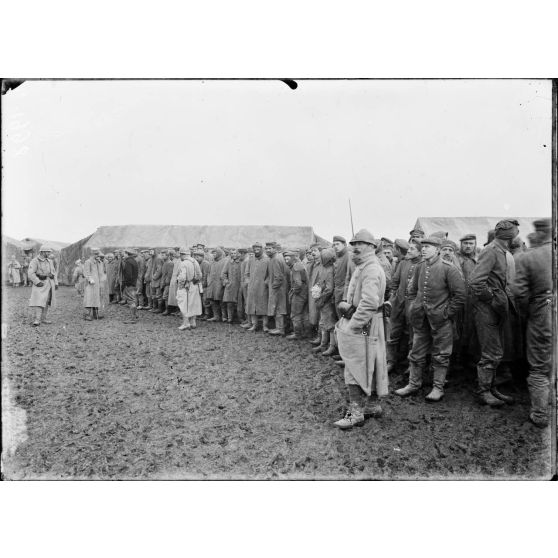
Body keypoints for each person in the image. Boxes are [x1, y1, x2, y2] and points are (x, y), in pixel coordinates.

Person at [395, 236, 465, 402]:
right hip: (421, 319)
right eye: (423, 246)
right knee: (416, 352)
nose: (424, 249)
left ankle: (438, 387)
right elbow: (411, 290)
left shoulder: (449, 269)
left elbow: (460, 296)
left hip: (441, 320)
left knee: (441, 354)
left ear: (438, 249)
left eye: (428, 246)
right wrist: (413, 306)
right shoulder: (420, 267)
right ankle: (413, 383)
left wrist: (446, 313)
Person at [334, 230, 388, 430]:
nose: (356, 247)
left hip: (365, 325)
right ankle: (373, 405)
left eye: (362, 243)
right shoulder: (362, 266)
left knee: (355, 365)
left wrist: (353, 325)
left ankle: (356, 412)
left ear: (372, 247)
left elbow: (368, 303)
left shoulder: (371, 269)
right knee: (370, 362)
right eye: (354, 243)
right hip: (367, 323)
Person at [468, 219, 520, 406]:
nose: (517, 237)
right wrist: (491, 299)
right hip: (487, 309)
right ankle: (483, 391)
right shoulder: (491, 251)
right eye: (516, 234)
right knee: (491, 352)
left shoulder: (501, 251)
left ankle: (491, 388)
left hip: (496, 308)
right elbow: (475, 282)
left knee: (497, 350)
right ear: (509, 236)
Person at [513, 219, 552, 427]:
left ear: (538, 233)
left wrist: (528, 312)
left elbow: (519, 293)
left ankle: (539, 413)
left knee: (538, 364)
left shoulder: (529, 257)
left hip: (542, 311)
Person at [386, 238, 423, 373]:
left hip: (413, 307)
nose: (409, 250)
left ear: (419, 252)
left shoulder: (423, 265)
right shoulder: (403, 263)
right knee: (393, 333)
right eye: (409, 248)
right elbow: (395, 282)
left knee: (412, 336)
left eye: (412, 249)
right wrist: (392, 297)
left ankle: (410, 364)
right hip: (398, 305)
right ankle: (390, 361)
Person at [331, 235, 353, 358]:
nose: (335, 247)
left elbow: (348, 279)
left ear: (344, 244)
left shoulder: (348, 256)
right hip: (338, 293)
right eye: (333, 245)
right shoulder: (338, 258)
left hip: (345, 296)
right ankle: (341, 351)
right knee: (340, 323)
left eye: (337, 244)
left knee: (346, 324)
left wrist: (345, 297)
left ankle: (346, 354)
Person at [312, 248, 336, 354]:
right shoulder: (325, 268)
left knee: (330, 324)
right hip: (323, 299)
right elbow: (322, 282)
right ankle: (323, 344)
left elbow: (329, 289)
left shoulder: (330, 270)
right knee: (323, 322)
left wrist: (321, 298)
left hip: (327, 301)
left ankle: (331, 347)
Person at [28, 245, 58, 326]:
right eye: (47, 252)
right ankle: (37, 320)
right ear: (42, 252)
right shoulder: (35, 261)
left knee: (47, 301)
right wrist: (37, 282)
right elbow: (30, 273)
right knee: (39, 301)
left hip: (49, 284)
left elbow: (53, 272)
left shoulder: (50, 261)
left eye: (49, 252)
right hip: (40, 284)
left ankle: (43, 318)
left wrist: (56, 283)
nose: (49, 253)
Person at [266, 242, 290, 336]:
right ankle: (281, 327)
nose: (268, 250)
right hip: (281, 287)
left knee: (278, 308)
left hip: (278, 288)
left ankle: (280, 329)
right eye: (266, 248)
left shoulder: (275, 259)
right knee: (280, 307)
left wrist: (273, 287)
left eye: (270, 248)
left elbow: (278, 277)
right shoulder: (277, 258)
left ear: (275, 249)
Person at [245, 242, 269, 332]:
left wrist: (265, 283)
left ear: (261, 249)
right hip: (251, 287)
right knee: (252, 306)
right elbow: (246, 273)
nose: (256, 250)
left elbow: (270, 274)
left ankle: (265, 326)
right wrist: (248, 282)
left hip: (262, 287)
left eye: (258, 248)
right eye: (255, 249)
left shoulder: (267, 260)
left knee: (263, 306)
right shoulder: (251, 259)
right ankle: (254, 325)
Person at [284, 250, 309, 340]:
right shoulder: (299, 264)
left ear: (293, 258)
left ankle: (298, 334)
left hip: (299, 295)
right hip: (305, 293)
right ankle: (306, 332)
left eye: (288, 259)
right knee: (304, 314)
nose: (286, 261)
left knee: (295, 315)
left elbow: (298, 283)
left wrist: (294, 291)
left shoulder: (295, 267)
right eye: (285, 259)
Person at [176, 248, 203, 330]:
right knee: (193, 304)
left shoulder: (183, 263)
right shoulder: (195, 262)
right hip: (195, 285)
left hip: (186, 286)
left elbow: (182, 277)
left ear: (182, 254)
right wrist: (194, 281)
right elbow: (200, 275)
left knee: (184, 304)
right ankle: (193, 322)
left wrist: (180, 286)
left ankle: (185, 323)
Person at [221, 248, 242, 323]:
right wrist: (226, 281)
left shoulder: (241, 262)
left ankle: (240, 318)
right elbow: (223, 273)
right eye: (232, 253)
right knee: (229, 303)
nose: (233, 255)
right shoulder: (228, 262)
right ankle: (230, 318)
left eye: (235, 253)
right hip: (230, 286)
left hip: (239, 285)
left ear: (238, 254)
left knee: (240, 303)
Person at [206, 247, 227, 322]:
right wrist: (209, 281)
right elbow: (208, 273)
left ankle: (224, 316)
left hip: (220, 283)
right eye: (213, 253)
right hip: (212, 284)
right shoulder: (212, 262)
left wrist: (224, 282)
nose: (213, 255)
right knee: (212, 300)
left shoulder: (225, 261)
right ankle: (216, 316)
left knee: (221, 301)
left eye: (215, 253)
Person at [307, 244, 322, 345]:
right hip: (312, 293)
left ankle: (320, 337)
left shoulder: (323, 264)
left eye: (315, 251)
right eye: (312, 251)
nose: (313, 253)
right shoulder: (313, 264)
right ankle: (317, 334)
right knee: (314, 314)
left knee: (320, 316)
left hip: (319, 294)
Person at [83, 249, 104, 321]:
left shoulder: (99, 262)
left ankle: (96, 314)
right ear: (92, 254)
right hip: (90, 284)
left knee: (96, 298)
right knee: (89, 298)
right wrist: (90, 279)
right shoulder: (88, 262)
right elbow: (86, 272)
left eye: (97, 254)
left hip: (97, 284)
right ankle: (87, 314)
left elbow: (101, 273)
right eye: (95, 254)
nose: (97, 255)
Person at [121, 249, 140, 323]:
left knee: (131, 300)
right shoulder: (134, 261)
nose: (123, 255)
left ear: (127, 253)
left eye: (124, 253)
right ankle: (135, 315)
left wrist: (126, 283)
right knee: (133, 299)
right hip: (134, 283)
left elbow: (128, 275)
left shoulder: (128, 262)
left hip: (130, 284)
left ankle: (133, 318)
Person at [193, 249, 211, 320]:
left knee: (205, 299)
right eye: (195, 257)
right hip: (198, 284)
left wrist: (203, 284)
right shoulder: (196, 264)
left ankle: (207, 314)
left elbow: (205, 275)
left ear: (202, 257)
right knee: (199, 299)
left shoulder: (205, 264)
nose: (196, 258)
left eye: (198, 257)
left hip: (204, 285)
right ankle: (200, 313)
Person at [160, 249, 175, 315]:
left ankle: (167, 310)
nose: (162, 256)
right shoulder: (165, 262)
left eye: (163, 255)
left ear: (167, 255)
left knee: (165, 296)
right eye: (161, 255)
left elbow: (169, 274)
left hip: (167, 283)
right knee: (165, 296)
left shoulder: (170, 263)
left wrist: (166, 282)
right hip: (164, 282)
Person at [238, 248, 250, 326]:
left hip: (246, 285)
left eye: (239, 254)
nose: (238, 255)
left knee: (247, 302)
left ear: (243, 253)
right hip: (243, 284)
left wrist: (245, 284)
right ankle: (247, 319)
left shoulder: (247, 261)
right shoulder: (243, 261)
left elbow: (247, 274)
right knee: (245, 302)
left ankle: (249, 320)